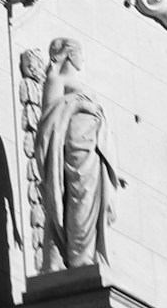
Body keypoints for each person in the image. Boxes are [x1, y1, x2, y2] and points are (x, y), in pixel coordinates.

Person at [36, 37, 122, 270]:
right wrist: (82, 105)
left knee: (94, 199)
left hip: (94, 147)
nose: (82, 59)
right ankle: (78, 255)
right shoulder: (56, 79)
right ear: (70, 55)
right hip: (75, 146)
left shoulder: (72, 82)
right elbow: (50, 117)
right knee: (79, 196)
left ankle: (88, 253)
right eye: (80, 54)